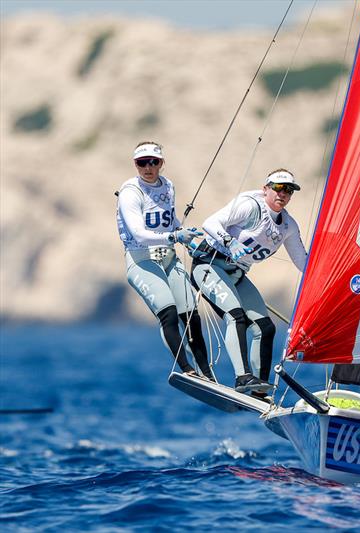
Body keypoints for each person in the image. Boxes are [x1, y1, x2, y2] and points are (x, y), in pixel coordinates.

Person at [190, 169, 307, 397]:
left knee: (266, 327)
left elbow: (303, 262)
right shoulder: (250, 206)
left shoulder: (288, 226)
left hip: (237, 274)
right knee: (236, 316)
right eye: (278, 188)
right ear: (266, 189)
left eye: (289, 190)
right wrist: (228, 241)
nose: (283, 194)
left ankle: (259, 389)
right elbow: (210, 223)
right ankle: (243, 378)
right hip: (209, 265)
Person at [116, 141, 213, 379]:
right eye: (142, 163)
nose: (148, 167)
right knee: (168, 312)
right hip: (142, 261)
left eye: (153, 162)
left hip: (168, 258)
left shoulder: (168, 186)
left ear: (161, 163)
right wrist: (174, 235)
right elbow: (139, 233)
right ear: (135, 165)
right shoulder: (130, 192)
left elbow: (170, 222)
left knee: (191, 314)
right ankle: (187, 369)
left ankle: (207, 373)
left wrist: (185, 235)